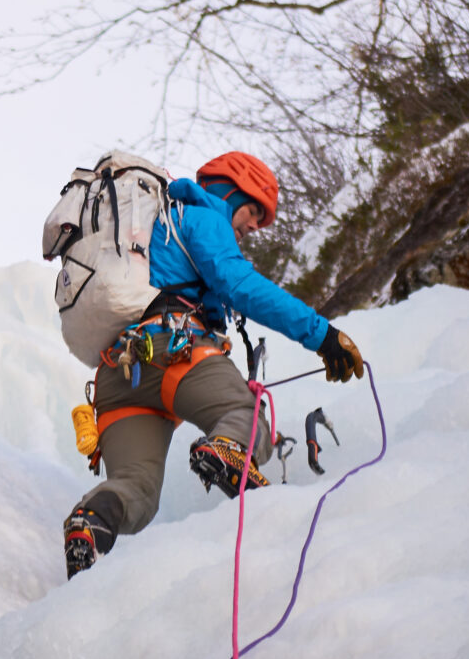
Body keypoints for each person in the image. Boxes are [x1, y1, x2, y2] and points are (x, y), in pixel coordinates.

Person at [63, 152, 365, 578]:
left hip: (117, 374)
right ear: (231, 190)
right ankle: (227, 449)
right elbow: (239, 285)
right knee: (244, 413)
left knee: (138, 492)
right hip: (173, 349)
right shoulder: (200, 217)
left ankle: (90, 523)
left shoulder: (150, 232)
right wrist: (322, 335)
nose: (254, 226)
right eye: (255, 210)